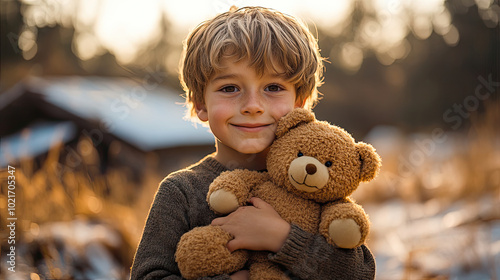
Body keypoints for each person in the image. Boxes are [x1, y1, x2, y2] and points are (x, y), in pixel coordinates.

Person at [130, 6, 375, 280]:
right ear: (201, 104)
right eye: (229, 88)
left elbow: (359, 274)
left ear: (299, 105)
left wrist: (281, 238)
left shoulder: (317, 185)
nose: (252, 106)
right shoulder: (181, 192)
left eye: (273, 88)